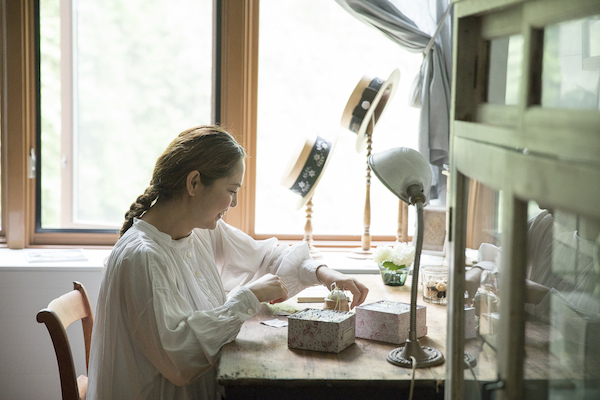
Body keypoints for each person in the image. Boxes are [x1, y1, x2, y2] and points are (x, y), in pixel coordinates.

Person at [87, 125, 369, 400]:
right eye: (232, 190)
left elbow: (268, 256)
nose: (233, 204)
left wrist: (325, 274)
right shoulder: (143, 257)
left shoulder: (197, 231)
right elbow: (180, 358)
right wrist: (248, 298)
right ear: (194, 182)